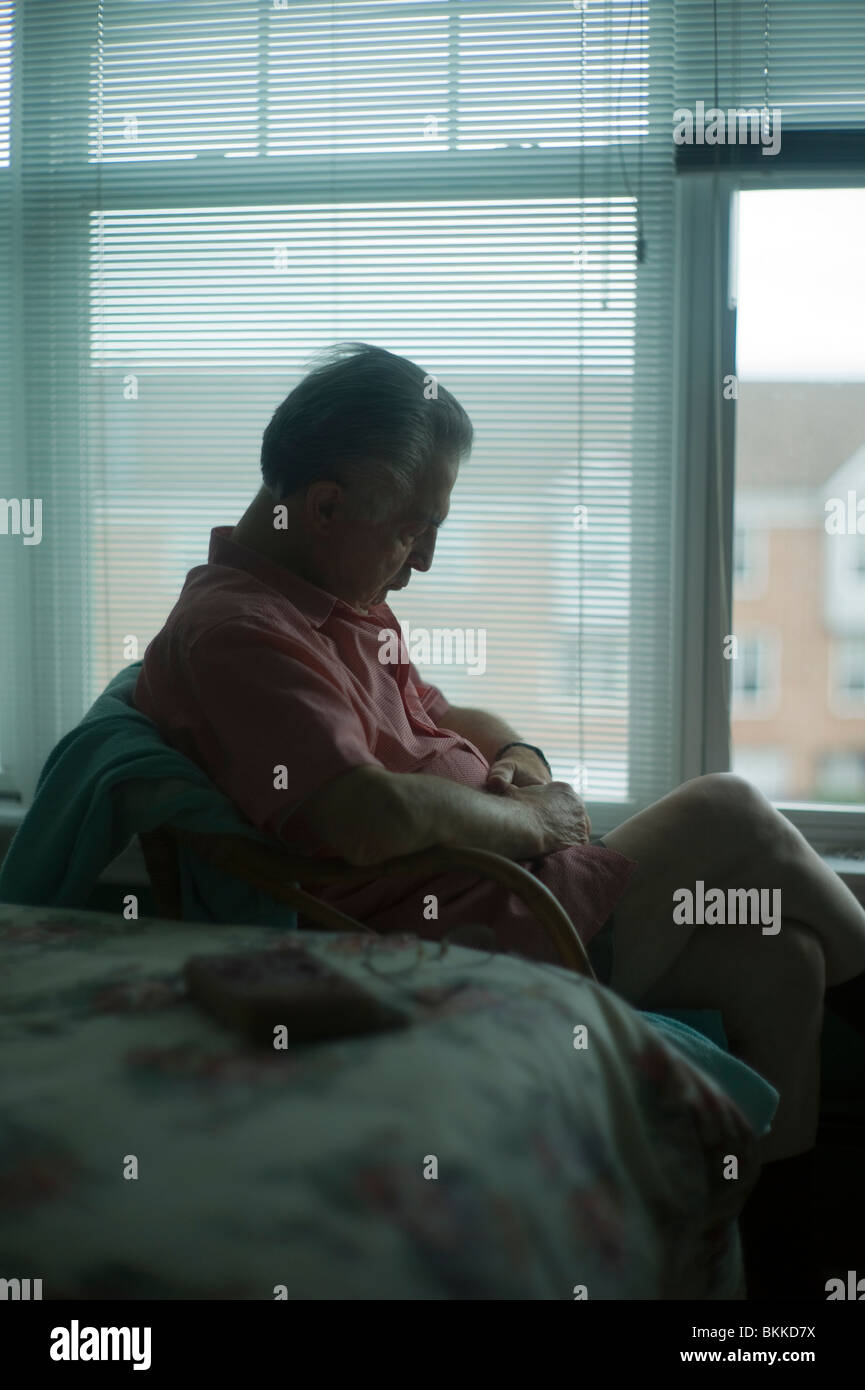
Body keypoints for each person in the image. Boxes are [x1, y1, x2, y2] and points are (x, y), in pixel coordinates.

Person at [134, 340, 865, 1298]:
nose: (425, 561)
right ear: (322, 507)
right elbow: (358, 810)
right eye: (414, 530)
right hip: (476, 934)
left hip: (522, 895)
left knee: (783, 962)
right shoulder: (240, 635)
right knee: (727, 805)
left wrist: (520, 764)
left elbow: (449, 719)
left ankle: (761, 1271)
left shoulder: (326, 598)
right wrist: (538, 826)